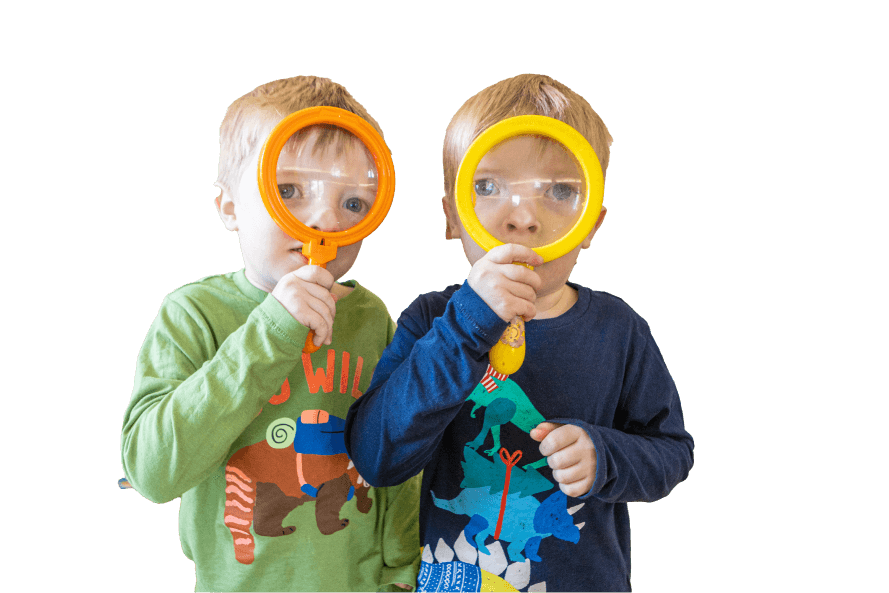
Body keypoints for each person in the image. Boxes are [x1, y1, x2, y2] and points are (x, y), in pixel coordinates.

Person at [344, 73, 693, 592]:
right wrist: (466, 324)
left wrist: (605, 455)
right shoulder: (431, 318)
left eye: (558, 191)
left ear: (591, 225)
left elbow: (672, 452)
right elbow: (377, 457)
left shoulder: (619, 330)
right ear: (453, 217)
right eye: (487, 186)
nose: (523, 217)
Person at [120, 76, 420, 592]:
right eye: (288, 191)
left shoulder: (371, 318)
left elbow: (396, 454)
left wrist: (402, 573)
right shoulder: (193, 313)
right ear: (229, 207)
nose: (323, 218)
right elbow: (153, 472)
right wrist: (272, 329)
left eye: (352, 203)